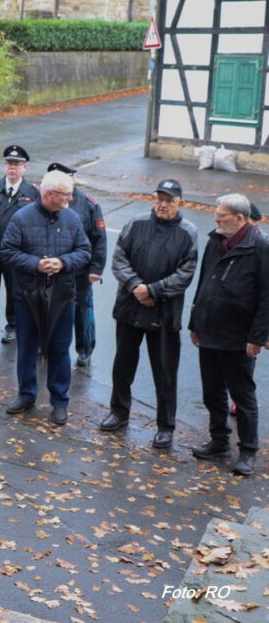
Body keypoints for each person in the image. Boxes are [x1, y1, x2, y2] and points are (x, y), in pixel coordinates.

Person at [99, 179, 198, 449]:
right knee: (122, 366)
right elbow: (119, 259)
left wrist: (153, 290)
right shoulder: (135, 223)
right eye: (159, 199)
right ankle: (119, 412)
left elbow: (185, 274)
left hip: (164, 314)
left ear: (180, 203)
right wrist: (136, 287)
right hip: (129, 308)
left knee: (165, 373)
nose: (163, 205)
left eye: (169, 201)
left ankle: (165, 426)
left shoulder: (188, 233)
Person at [0, 169, 90, 426]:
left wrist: (63, 262)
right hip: (28, 295)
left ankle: (59, 401)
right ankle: (26, 395)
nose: (70, 199)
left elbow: (84, 251)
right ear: (49, 194)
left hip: (62, 295)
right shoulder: (21, 218)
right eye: (66, 194)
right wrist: (36, 264)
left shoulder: (72, 218)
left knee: (60, 349)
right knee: (27, 347)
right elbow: (7, 251)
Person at [189, 193, 269, 477]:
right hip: (209, 330)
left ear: (239, 218)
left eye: (220, 215)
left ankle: (248, 451)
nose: (215, 218)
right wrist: (194, 323)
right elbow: (204, 282)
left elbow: (266, 298)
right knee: (212, 391)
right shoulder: (216, 240)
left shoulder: (260, 247)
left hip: (238, 336)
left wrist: (257, 338)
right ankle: (219, 441)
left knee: (242, 396)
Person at [0, 145, 40, 344]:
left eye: (17, 164)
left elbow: (37, 223)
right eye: (10, 164)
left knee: (15, 291)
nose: (13, 168)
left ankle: (13, 326)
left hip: (17, 252)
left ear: (24, 167)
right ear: (5, 166)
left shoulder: (33, 192)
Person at [47, 163, 107, 369]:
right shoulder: (47, 199)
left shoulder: (87, 203)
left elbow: (99, 238)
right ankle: (48, 346)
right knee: (50, 309)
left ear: (72, 179)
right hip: (53, 269)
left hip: (80, 271)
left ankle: (84, 350)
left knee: (82, 312)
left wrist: (96, 269)